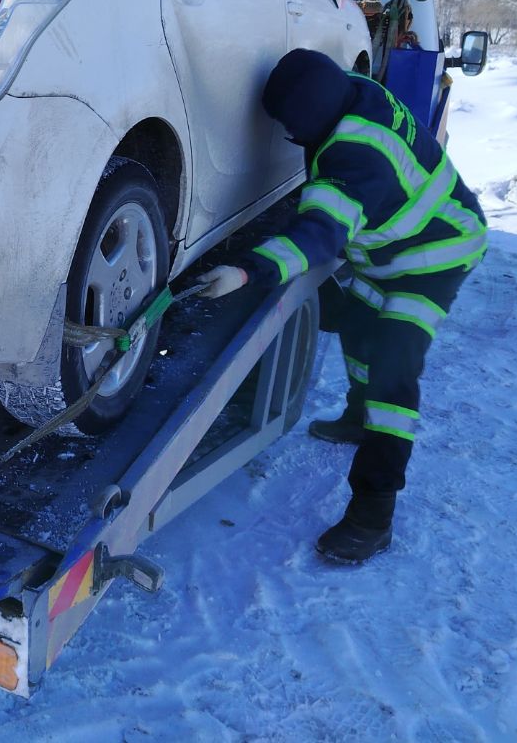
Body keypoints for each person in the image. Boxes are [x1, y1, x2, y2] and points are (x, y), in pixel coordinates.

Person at [198, 49, 487, 563]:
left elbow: (322, 234)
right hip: (390, 249)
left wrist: (247, 270)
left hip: (437, 254)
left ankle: (374, 514)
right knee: (357, 322)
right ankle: (357, 415)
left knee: (393, 375)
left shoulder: (355, 155)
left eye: (292, 130)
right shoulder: (352, 89)